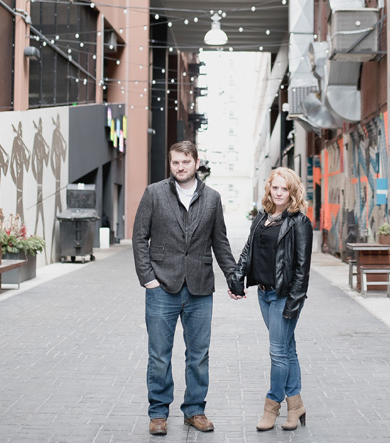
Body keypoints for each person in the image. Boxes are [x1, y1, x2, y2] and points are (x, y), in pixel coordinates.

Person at [132, 141, 237, 436]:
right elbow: (140, 238)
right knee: (159, 354)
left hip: (200, 287)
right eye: (175, 162)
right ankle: (158, 413)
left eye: (185, 162)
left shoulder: (212, 198)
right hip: (162, 287)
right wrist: (148, 279)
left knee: (199, 354)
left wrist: (233, 277)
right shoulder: (154, 194)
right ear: (170, 164)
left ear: (196, 163)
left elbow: (221, 242)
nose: (180, 167)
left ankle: (194, 410)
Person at [228, 167, 313, 431]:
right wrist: (237, 277)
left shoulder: (300, 222)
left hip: (283, 296)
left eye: (284, 188)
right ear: (269, 188)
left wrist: (293, 303)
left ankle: (272, 405)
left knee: (277, 353)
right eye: (275, 187)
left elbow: (302, 268)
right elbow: (248, 251)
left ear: (293, 191)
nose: (279, 192)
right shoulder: (262, 217)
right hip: (264, 294)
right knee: (287, 349)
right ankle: (296, 406)